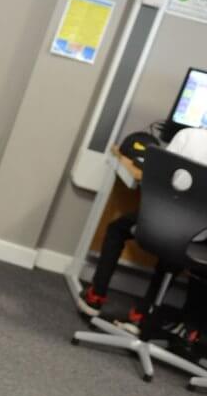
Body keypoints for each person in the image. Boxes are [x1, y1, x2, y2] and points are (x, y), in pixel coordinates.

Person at [77, 128, 207, 343]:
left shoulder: (188, 136)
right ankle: (143, 313)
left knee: (118, 229)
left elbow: (156, 178)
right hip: (196, 239)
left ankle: (96, 295)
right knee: (178, 251)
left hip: (158, 222)